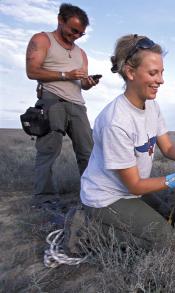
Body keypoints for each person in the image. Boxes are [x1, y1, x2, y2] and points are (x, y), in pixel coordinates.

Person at [80, 34, 175, 246]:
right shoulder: (115, 121)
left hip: (131, 191)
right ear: (130, 72)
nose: (161, 80)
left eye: (161, 72)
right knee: (168, 244)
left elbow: (168, 148)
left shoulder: (151, 105)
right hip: (106, 198)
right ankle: (87, 229)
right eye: (153, 73)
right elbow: (134, 185)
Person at [25, 3, 99, 208]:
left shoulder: (81, 53)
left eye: (81, 33)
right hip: (51, 102)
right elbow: (32, 71)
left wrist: (88, 83)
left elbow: (81, 84)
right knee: (48, 152)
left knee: (88, 152)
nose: (76, 35)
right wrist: (66, 75)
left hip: (77, 106)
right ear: (60, 20)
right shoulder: (42, 40)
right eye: (73, 30)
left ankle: (92, 195)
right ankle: (44, 198)